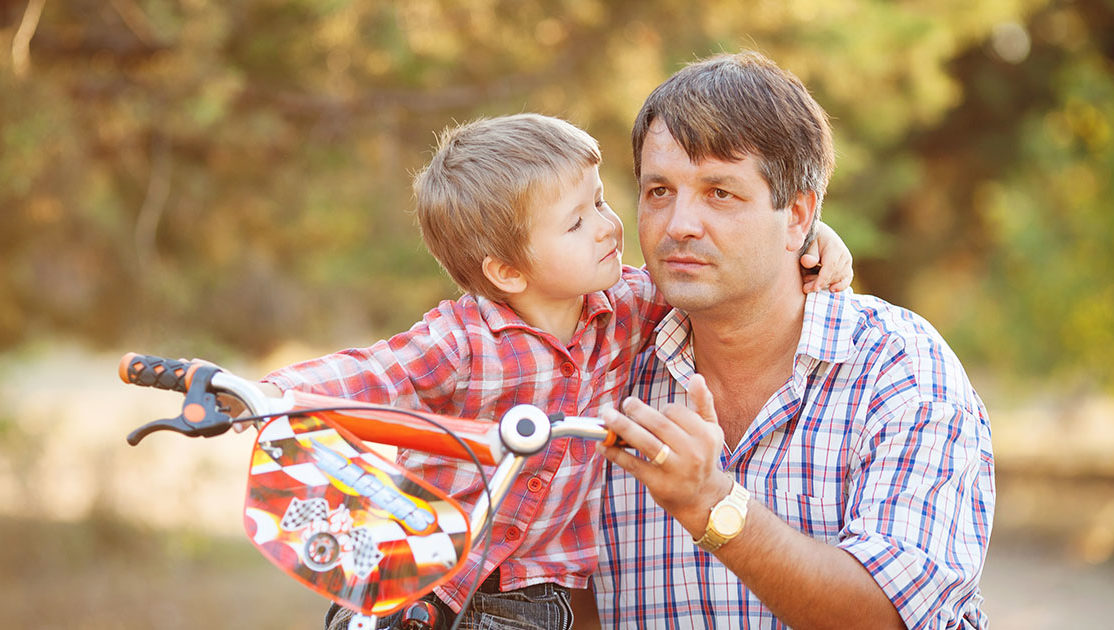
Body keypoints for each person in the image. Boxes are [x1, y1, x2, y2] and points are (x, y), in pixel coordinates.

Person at [253, 113, 854, 629]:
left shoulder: (628, 307)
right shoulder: (462, 340)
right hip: (414, 581)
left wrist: (806, 238)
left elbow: (725, 269)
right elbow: (375, 374)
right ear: (508, 272)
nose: (608, 225)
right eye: (576, 222)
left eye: (601, 202)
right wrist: (267, 395)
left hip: (531, 603)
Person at [593, 51, 995, 629]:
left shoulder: (899, 367)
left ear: (799, 215)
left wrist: (710, 502)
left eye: (719, 193)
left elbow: (888, 614)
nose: (678, 224)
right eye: (659, 190)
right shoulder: (604, 357)